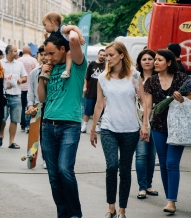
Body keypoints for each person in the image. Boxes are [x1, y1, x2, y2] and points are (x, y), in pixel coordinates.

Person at [37, 31, 86, 217]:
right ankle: (62, 213)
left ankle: (75, 214)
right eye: (45, 54)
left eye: (51, 53)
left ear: (63, 49)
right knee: (53, 175)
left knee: (65, 169)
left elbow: (73, 38)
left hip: (69, 125)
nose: (48, 57)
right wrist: (42, 76)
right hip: (48, 125)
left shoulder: (76, 66)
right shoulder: (48, 69)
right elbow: (42, 98)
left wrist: (69, 28)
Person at [90, 42, 141, 218]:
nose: (107, 58)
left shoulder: (134, 75)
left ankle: (122, 210)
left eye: (111, 55)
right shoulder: (103, 77)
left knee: (125, 170)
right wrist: (93, 129)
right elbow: (99, 104)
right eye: (106, 55)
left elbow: (143, 100)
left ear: (121, 55)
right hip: (108, 127)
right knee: (112, 167)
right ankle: (111, 207)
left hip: (131, 129)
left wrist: (146, 126)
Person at [143, 49, 190, 214]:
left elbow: (190, 97)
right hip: (158, 126)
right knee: (163, 164)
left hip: (178, 126)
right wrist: (144, 126)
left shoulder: (182, 78)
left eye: (159, 60)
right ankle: (169, 198)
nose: (155, 62)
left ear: (169, 62)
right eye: (155, 59)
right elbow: (148, 106)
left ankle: (171, 201)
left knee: (171, 163)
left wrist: (183, 98)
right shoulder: (151, 81)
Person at [134, 49, 158, 200]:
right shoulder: (135, 77)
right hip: (138, 119)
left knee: (151, 155)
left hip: (156, 120)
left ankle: (149, 185)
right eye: (144, 59)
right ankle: (142, 187)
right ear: (140, 62)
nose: (147, 61)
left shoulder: (158, 78)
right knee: (142, 154)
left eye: (150, 59)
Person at [0, 45, 27, 149]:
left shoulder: (19, 64)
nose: (17, 53)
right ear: (9, 52)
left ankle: (11, 142)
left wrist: (20, 80)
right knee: (2, 118)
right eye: (15, 51)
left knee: (15, 120)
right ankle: (0, 135)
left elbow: (25, 77)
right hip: (3, 95)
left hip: (16, 95)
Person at [40, 11, 85, 79]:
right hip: (61, 49)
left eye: (45, 25)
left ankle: (67, 71)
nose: (44, 28)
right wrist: (46, 37)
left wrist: (80, 37)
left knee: (69, 54)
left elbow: (74, 27)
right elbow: (49, 44)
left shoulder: (62, 29)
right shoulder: (52, 33)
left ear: (52, 22)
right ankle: (47, 74)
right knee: (50, 60)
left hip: (68, 49)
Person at [26, 45, 48, 169]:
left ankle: (49, 157)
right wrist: (30, 105)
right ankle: (40, 158)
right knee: (38, 134)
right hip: (37, 106)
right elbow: (30, 91)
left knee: (47, 133)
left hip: (50, 106)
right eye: (42, 55)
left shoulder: (55, 71)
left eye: (46, 54)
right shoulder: (34, 72)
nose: (44, 57)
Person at [81, 49, 106, 133]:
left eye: (104, 55)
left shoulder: (106, 66)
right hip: (91, 91)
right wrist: (85, 87)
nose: (102, 56)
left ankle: (97, 126)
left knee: (99, 110)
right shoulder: (92, 64)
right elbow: (86, 78)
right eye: (101, 54)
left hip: (101, 92)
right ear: (98, 55)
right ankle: (84, 125)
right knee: (88, 109)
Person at [17, 46, 38, 133]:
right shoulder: (34, 60)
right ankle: (27, 124)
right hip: (30, 86)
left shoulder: (18, 61)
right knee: (30, 105)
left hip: (20, 86)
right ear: (30, 52)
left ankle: (22, 124)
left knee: (22, 106)